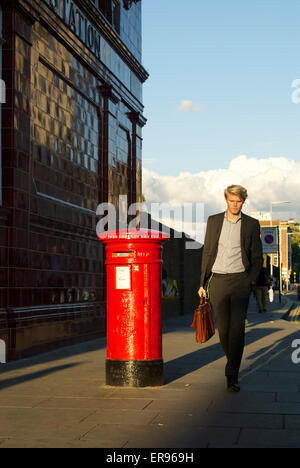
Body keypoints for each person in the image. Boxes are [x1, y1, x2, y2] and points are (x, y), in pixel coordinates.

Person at [198, 185, 262, 392]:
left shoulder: (252, 224)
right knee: (224, 330)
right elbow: (207, 252)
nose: (235, 205)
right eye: (232, 200)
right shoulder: (214, 221)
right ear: (226, 200)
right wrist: (202, 283)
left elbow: (256, 257)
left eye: (239, 201)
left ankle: (231, 374)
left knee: (238, 330)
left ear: (243, 202)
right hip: (217, 280)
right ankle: (232, 360)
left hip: (240, 281)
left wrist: (249, 281)